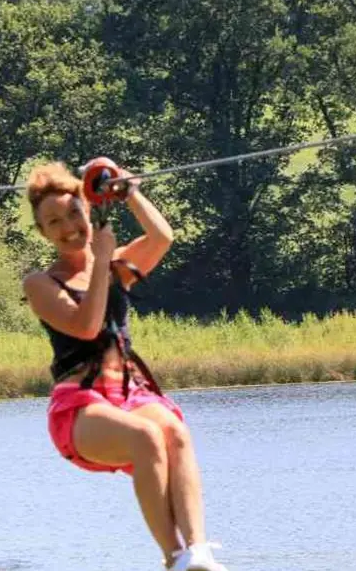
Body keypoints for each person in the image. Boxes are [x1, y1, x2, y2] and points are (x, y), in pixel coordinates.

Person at [21, 160, 228, 571]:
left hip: (129, 394)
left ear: (88, 208)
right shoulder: (40, 283)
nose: (68, 227)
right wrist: (100, 262)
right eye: (54, 222)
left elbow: (161, 237)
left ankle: (199, 550)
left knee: (175, 432)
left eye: (74, 213)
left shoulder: (113, 264)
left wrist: (128, 190)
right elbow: (85, 326)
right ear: (43, 232)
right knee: (147, 437)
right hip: (79, 405)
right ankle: (174, 557)